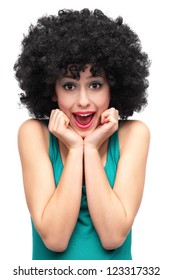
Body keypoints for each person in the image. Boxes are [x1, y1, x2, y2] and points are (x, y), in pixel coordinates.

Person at [14, 8, 150, 260]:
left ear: (113, 87)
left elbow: (113, 236)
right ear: (52, 90)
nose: (83, 101)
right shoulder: (34, 134)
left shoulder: (134, 135)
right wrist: (77, 149)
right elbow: (55, 239)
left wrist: (89, 147)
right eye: (69, 86)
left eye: (95, 85)